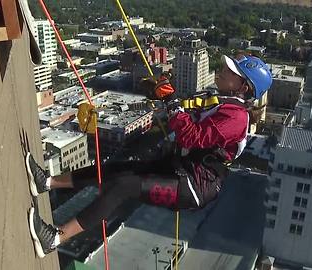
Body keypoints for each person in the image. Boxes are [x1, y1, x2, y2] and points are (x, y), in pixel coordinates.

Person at [27, 54, 273, 258]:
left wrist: (171, 101)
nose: (222, 71)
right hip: (181, 168)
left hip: (194, 185)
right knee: (115, 170)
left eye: (230, 72)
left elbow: (190, 136)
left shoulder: (237, 117)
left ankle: (56, 237)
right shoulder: (222, 103)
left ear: (243, 86)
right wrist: (163, 96)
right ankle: (47, 182)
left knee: (123, 186)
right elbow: (186, 114)